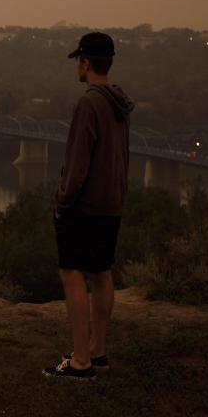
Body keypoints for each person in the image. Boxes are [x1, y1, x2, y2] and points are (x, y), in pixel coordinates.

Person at [43, 32, 134, 381]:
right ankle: (98, 350)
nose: (77, 67)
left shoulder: (89, 103)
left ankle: (80, 361)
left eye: (78, 60)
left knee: (72, 274)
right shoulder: (119, 102)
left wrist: (62, 200)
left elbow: (78, 164)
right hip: (111, 202)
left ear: (85, 61)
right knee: (101, 272)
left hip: (85, 205)